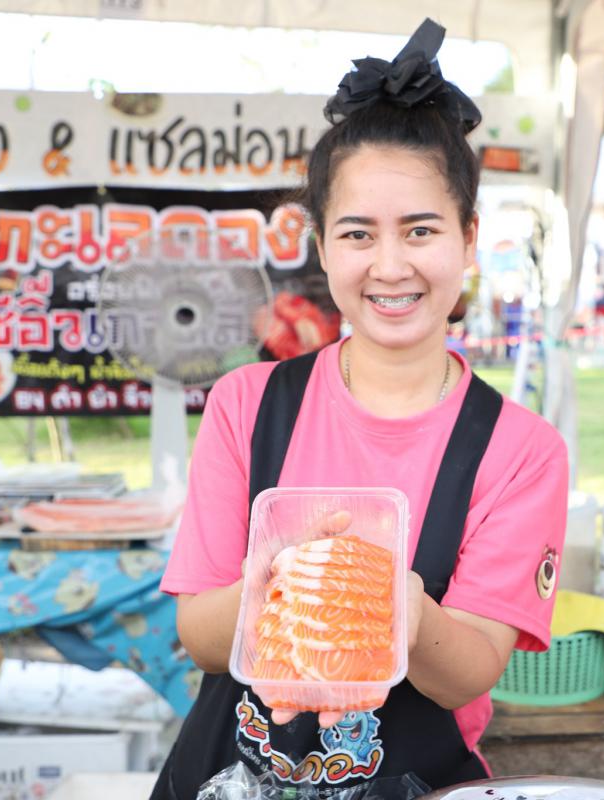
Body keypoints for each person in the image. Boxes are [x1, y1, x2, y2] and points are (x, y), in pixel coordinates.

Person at [151, 19, 568, 800]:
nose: (390, 265)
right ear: (321, 246)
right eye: (357, 234)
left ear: (468, 239)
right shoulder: (248, 405)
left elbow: (472, 669)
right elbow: (199, 638)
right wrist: (283, 586)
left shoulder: (520, 450)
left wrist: (401, 611)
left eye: (420, 230)